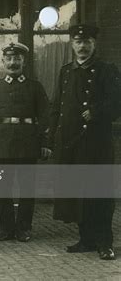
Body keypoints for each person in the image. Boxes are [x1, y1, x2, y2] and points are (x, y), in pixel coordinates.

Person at [48, 24, 121, 260]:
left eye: (87, 42)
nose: (82, 46)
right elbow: (57, 105)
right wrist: (52, 137)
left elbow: (117, 103)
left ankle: (105, 242)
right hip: (70, 142)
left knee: (99, 192)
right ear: (72, 44)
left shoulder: (106, 70)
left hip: (96, 144)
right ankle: (86, 239)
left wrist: (96, 112)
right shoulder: (66, 72)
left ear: (94, 44)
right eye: (78, 42)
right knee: (77, 192)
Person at [0, 43, 50, 242]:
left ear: (24, 61)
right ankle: (6, 228)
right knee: (2, 188)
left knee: (27, 189)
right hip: (1, 143)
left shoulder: (35, 87)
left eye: (17, 59)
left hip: (28, 142)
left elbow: (45, 117)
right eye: (9, 59)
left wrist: (45, 142)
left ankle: (24, 229)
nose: (13, 63)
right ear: (3, 62)